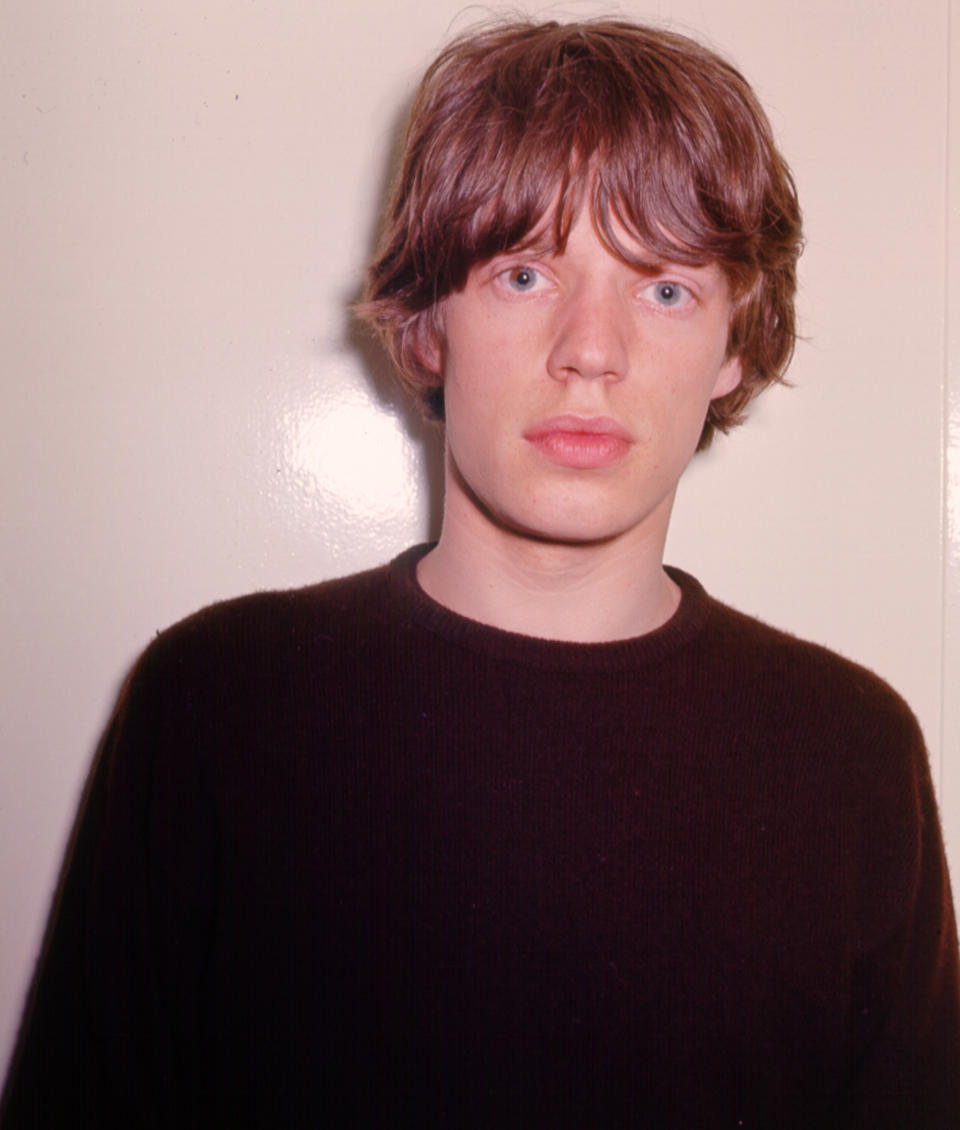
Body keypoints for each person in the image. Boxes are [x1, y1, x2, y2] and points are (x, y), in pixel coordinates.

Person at [2, 17, 958, 1129]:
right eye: (523, 271)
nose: (590, 349)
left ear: (737, 342)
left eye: (663, 289)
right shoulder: (218, 701)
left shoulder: (850, 751)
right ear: (429, 323)